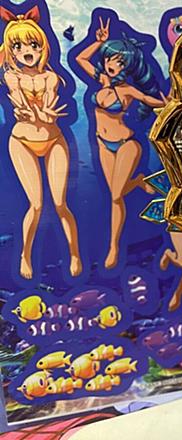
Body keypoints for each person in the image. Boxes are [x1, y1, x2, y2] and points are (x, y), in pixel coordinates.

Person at [75, 17, 165, 269]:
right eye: (108, 58)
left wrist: (168, 102)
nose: (110, 64)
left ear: (128, 66)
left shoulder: (128, 90)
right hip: (103, 144)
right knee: (117, 196)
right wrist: (98, 42)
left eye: (118, 61)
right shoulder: (101, 79)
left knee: (116, 195)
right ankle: (137, 182)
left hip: (126, 144)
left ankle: (114, 248)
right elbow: (80, 59)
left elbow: (150, 100)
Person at [0, 6, 81, 279]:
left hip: (54, 139)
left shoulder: (51, 77)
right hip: (22, 142)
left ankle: (74, 254)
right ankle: (25, 255)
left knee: (60, 204)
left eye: (33, 44)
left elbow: (48, 103)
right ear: (10, 50)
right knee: (35, 205)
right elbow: (18, 99)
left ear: (42, 46)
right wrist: (30, 111)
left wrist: (44, 113)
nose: (27, 51)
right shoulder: (11, 76)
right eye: (19, 46)